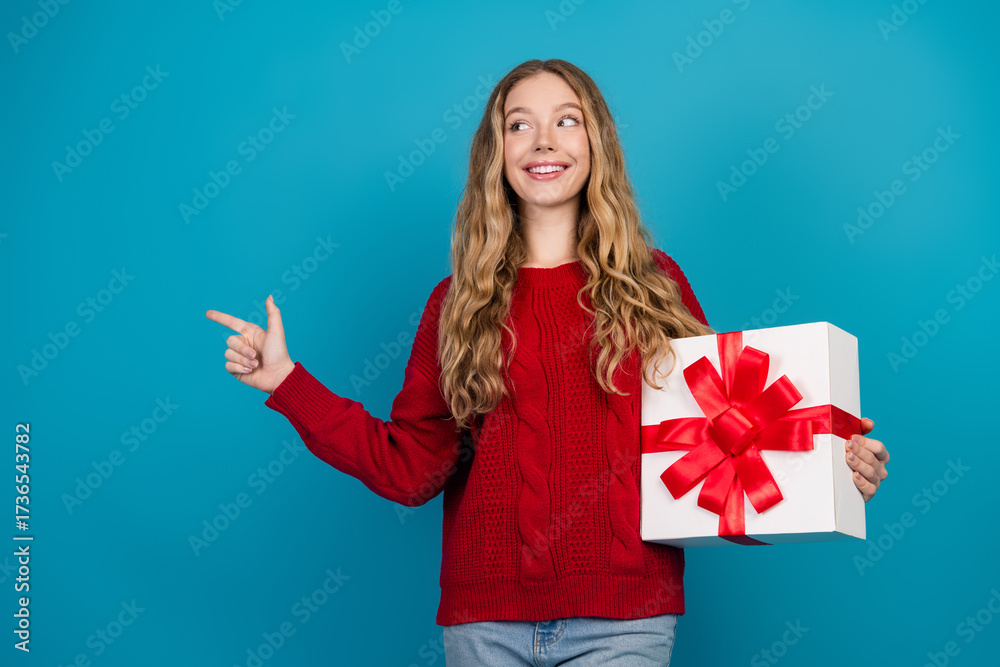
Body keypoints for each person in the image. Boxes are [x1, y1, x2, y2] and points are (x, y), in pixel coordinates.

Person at [206, 59, 890, 666]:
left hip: (625, 622)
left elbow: (716, 457)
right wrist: (286, 383)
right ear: (495, 152)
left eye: (567, 120)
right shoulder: (455, 304)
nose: (544, 141)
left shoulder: (657, 287)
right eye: (519, 124)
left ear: (597, 143)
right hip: (485, 626)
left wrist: (830, 470)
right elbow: (413, 468)